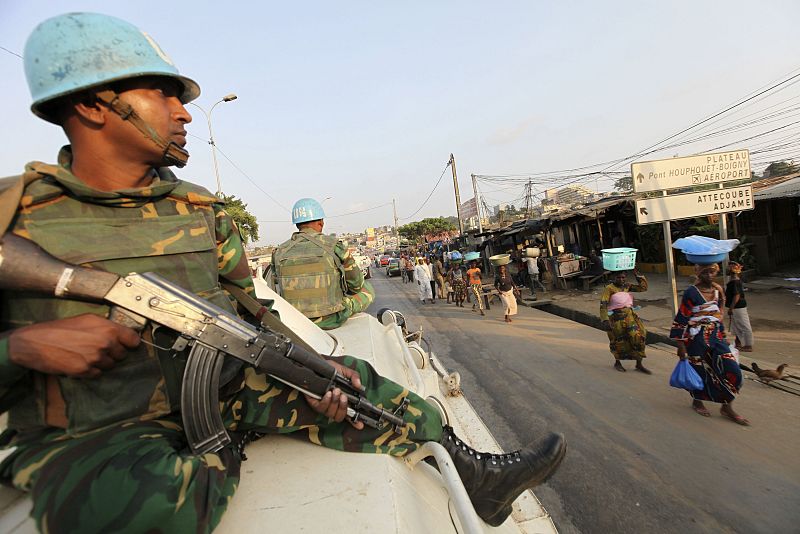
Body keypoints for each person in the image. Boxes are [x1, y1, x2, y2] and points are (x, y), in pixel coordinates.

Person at [0, 13, 568, 533]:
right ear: (94, 106)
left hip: (222, 387)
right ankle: (220, 452)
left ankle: (479, 476)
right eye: (161, 93)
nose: (184, 111)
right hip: (98, 429)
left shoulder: (198, 210)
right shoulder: (14, 215)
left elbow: (252, 309)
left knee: (363, 387)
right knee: (148, 507)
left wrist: (310, 367)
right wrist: (22, 348)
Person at [273, 198, 374, 330]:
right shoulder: (334, 246)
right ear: (321, 222)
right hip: (332, 318)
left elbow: (277, 282)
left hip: (294, 321)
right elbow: (356, 286)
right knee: (367, 288)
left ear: (297, 224)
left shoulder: (279, 252)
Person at [671, 263, 747, 425]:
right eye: (705, 272)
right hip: (695, 338)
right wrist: (681, 345)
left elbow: (718, 315)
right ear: (699, 273)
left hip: (716, 336)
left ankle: (726, 406)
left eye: (712, 272)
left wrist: (723, 335)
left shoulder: (718, 290)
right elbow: (682, 317)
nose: (709, 275)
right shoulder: (691, 292)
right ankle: (697, 401)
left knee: (733, 371)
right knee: (699, 371)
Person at [600, 270, 651, 373]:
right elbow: (603, 304)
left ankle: (639, 364)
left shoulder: (627, 286)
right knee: (618, 340)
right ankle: (617, 362)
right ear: (614, 278)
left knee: (639, 337)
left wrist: (638, 276)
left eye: (623, 277)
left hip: (630, 316)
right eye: (618, 277)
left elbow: (643, 288)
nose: (621, 280)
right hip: (616, 318)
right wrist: (605, 319)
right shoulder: (609, 289)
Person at [726, 261, 754, 352]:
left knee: (743, 325)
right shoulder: (735, 280)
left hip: (738, 307)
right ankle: (738, 342)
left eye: (729, 268)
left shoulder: (734, 282)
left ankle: (748, 345)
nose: (726, 269)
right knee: (737, 325)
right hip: (737, 306)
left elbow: (736, 295)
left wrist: (731, 307)